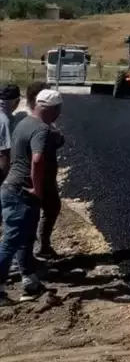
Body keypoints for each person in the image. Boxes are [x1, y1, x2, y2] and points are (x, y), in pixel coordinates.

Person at [0, 88, 62, 303]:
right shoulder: (42, 129)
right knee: (10, 240)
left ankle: (30, 282)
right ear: (53, 109)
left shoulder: (23, 122)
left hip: (12, 188)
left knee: (25, 239)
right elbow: (37, 160)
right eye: (59, 109)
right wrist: (37, 188)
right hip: (21, 191)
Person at [23, 82, 62, 259]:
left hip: (43, 176)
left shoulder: (34, 121)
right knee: (35, 213)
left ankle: (40, 246)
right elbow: (38, 157)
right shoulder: (38, 125)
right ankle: (29, 253)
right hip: (39, 178)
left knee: (51, 207)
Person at [0, 84, 20, 183]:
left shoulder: (8, 118)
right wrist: (4, 181)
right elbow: (4, 155)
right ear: (17, 102)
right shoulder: (4, 121)